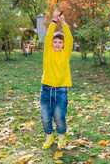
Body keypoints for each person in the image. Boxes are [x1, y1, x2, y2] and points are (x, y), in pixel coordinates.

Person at [40, 9, 73, 149]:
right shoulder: (48, 52)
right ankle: (49, 136)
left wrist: (63, 22)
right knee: (45, 117)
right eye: (55, 42)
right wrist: (54, 20)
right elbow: (48, 37)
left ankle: (61, 136)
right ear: (52, 44)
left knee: (59, 116)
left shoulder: (66, 54)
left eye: (60, 42)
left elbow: (70, 38)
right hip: (46, 89)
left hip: (60, 90)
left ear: (64, 44)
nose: (57, 44)